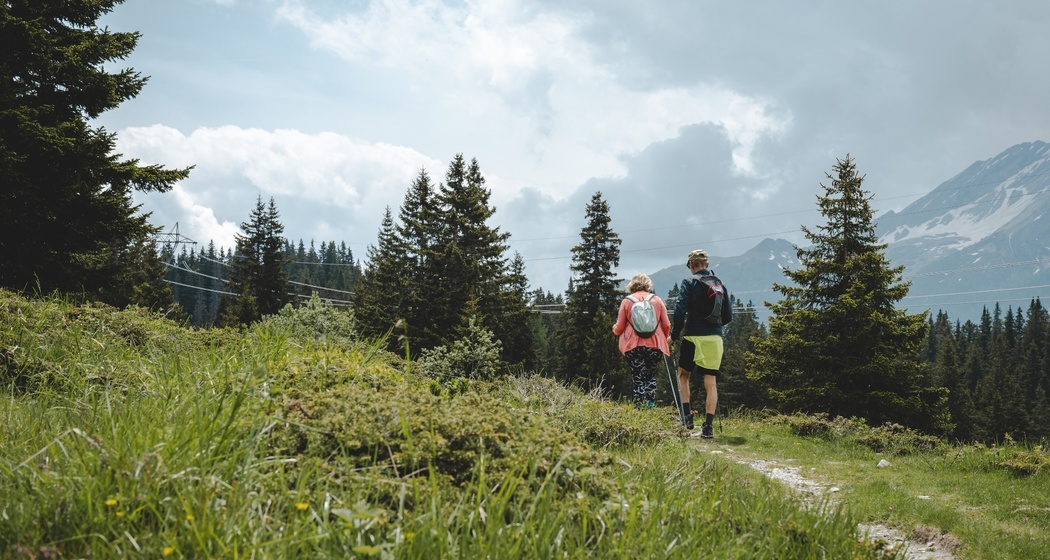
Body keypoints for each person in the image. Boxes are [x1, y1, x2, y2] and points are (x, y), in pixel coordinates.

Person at [669, 249, 732, 437]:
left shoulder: (689, 282)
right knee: (710, 382)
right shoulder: (720, 284)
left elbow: (680, 311)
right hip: (714, 338)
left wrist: (674, 335)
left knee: (683, 375)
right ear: (707, 264)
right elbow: (727, 316)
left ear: (691, 266)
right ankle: (708, 427)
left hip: (692, 336)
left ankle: (687, 418)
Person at [612, 273, 672, 407]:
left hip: (633, 345)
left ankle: (639, 405)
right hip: (655, 344)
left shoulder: (627, 301)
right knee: (651, 374)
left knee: (638, 375)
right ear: (648, 285)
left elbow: (620, 327)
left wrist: (615, 329)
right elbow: (667, 324)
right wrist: (664, 337)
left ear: (632, 285)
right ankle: (650, 404)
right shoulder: (657, 300)